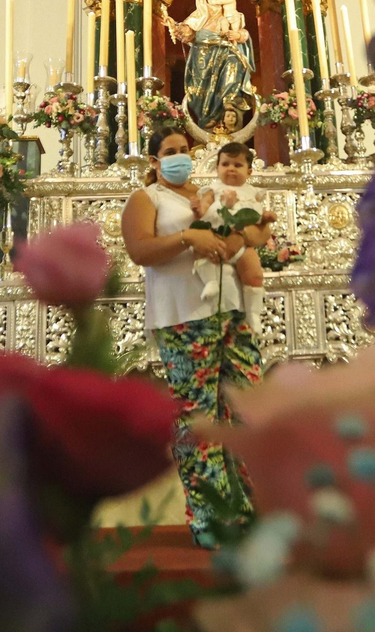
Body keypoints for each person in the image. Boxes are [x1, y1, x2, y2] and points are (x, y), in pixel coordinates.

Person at [121, 126, 261, 547]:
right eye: (170, 151)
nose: (180, 156)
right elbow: (139, 250)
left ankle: (245, 509)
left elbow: (240, 235)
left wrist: (247, 235)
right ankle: (208, 515)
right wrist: (187, 237)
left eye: (185, 150)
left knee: (243, 405)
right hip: (182, 316)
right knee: (198, 416)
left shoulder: (208, 192)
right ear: (154, 160)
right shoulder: (146, 199)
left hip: (229, 308)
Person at [191, 143, 273, 332]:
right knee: (201, 253)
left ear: (249, 171)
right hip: (216, 238)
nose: (231, 169)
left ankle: (253, 313)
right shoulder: (212, 189)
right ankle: (210, 281)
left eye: (237, 165)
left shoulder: (253, 192)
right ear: (217, 168)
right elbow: (204, 210)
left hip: (244, 245)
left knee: (254, 273)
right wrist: (198, 209)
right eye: (225, 164)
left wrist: (266, 218)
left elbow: (259, 219)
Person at [163, 0, 256, 132]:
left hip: (226, 49)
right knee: (203, 90)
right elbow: (187, 32)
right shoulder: (198, 14)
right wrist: (175, 26)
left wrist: (237, 35)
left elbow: (243, 33)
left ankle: (229, 105)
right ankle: (208, 117)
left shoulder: (229, 9)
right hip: (202, 54)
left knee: (235, 63)